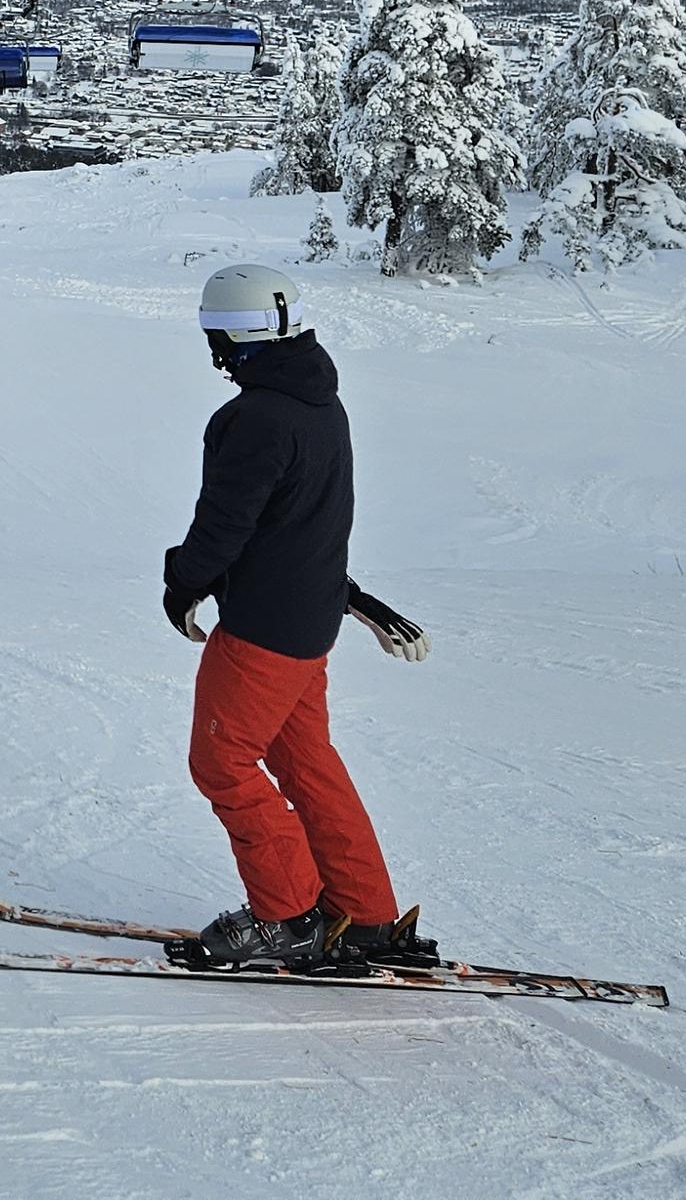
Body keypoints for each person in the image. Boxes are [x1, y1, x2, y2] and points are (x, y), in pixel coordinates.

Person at [161, 264, 437, 971]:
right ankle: (365, 914)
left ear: (230, 336)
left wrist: (183, 583)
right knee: (303, 760)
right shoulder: (319, 404)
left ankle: (285, 917)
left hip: (261, 632)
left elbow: (225, 528)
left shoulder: (250, 418)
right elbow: (304, 522)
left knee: (221, 762)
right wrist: (347, 595)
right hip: (307, 622)